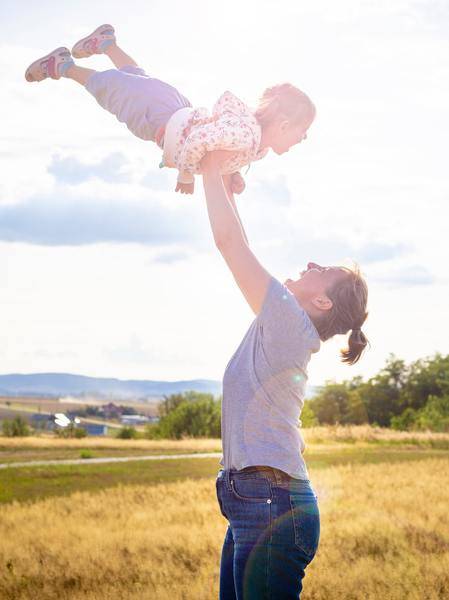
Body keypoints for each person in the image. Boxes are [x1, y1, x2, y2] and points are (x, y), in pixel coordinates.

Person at [201, 150, 369, 599]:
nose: (311, 263)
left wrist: (208, 163)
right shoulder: (280, 323)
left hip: (272, 504)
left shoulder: (288, 324)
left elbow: (230, 245)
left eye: (323, 271)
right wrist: (227, 184)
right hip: (255, 500)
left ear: (323, 303)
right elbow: (240, 241)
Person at [24, 25, 315, 195]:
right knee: (112, 89)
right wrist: (186, 176)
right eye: (303, 134)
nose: (302, 141)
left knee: (134, 81)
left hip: (173, 108)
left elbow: (220, 143)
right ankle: (64, 66)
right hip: (161, 120)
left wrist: (234, 172)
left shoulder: (255, 145)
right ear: (285, 125)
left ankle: (107, 44)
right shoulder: (245, 134)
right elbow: (198, 142)